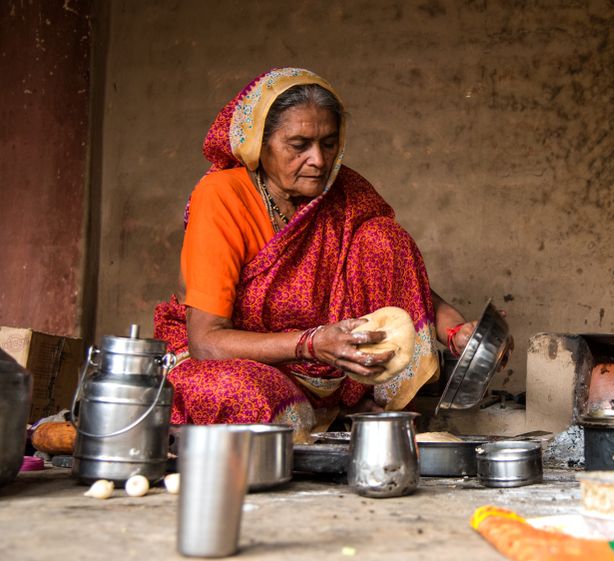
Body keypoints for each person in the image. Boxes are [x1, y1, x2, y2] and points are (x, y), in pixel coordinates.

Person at [154, 67, 476, 440]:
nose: (319, 161)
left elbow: (398, 271)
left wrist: (456, 330)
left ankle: (357, 411)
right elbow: (207, 342)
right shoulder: (222, 197)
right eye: (298, 145)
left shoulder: (344, 191)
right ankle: (321, 420)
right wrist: (311, 344)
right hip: (233, 362)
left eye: (328, 143)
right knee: (243, 395)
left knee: (383, 238)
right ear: (260, 143)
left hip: (329, 367)